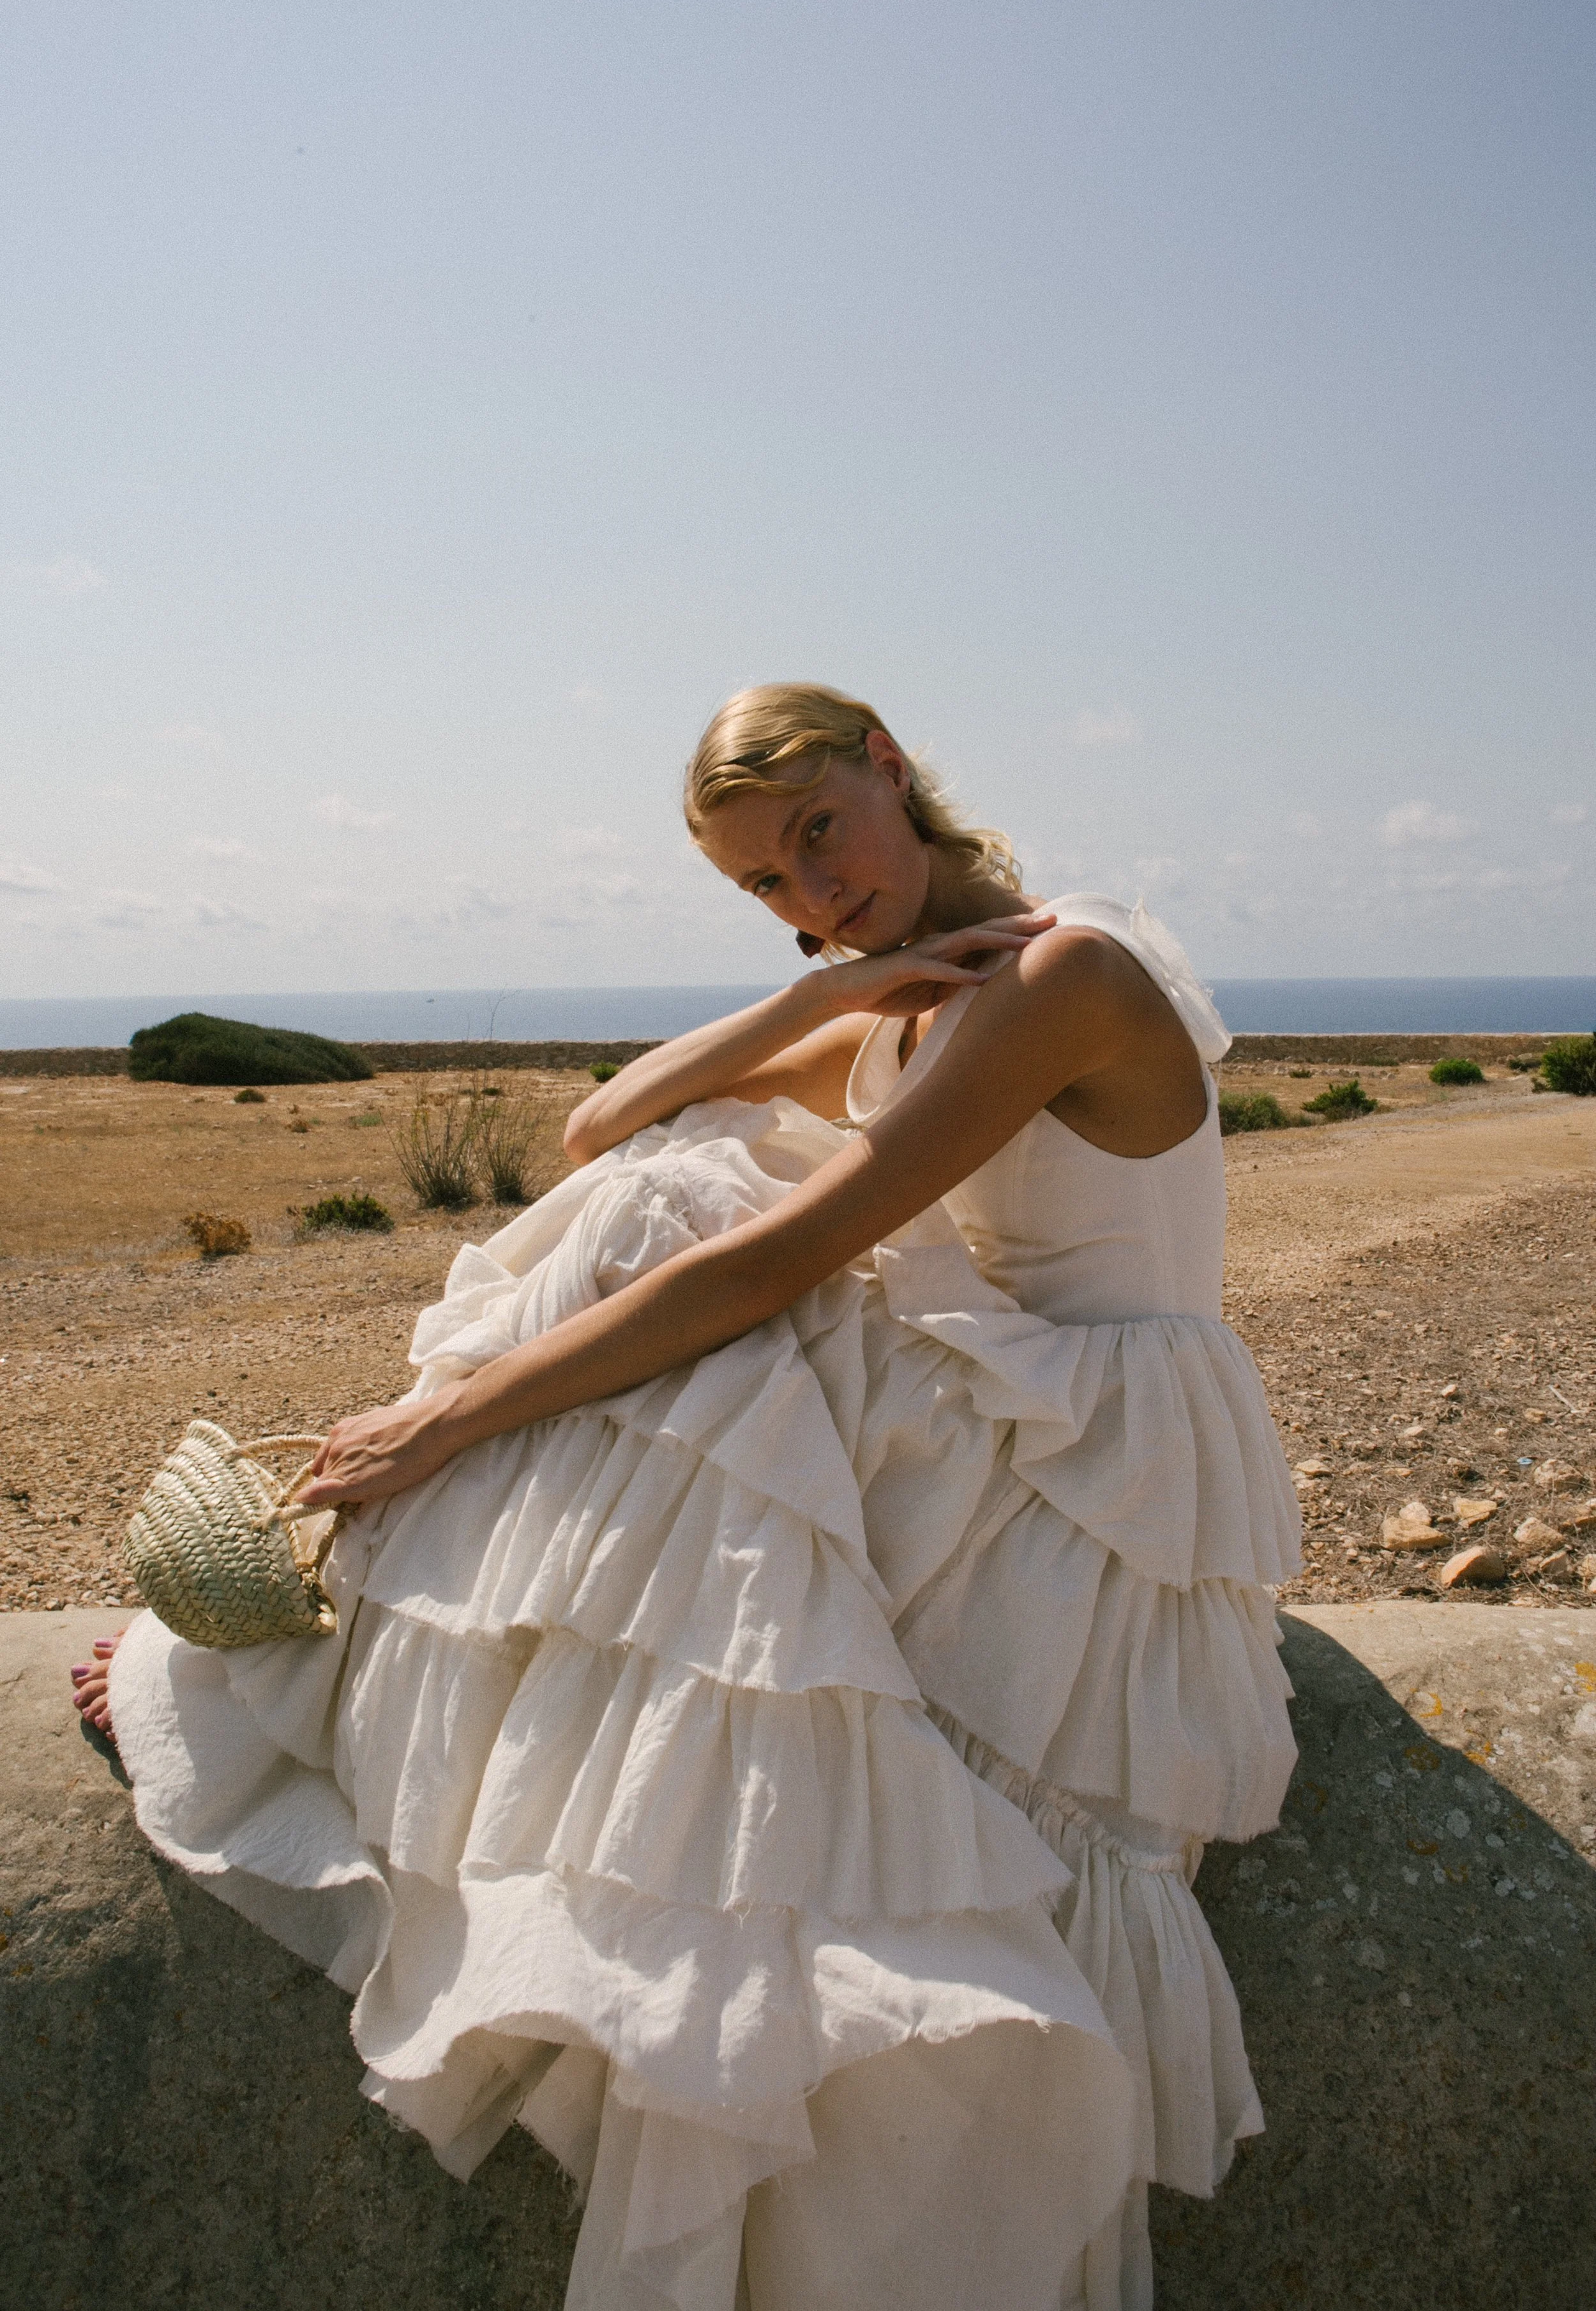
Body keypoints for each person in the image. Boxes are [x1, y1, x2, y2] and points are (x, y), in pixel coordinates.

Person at [73, 684, 1300, 2310]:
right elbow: (600, 1119)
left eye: (816, 834)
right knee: (662, 1175)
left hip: (1086, 1492)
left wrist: (442, 1425)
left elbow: (791, 1246)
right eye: (766, 889)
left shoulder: (1063, 970)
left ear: (884, 755)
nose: (813, 891)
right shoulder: (913, 995)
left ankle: (326, 1648)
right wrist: (850, 981)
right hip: (1022, 1430)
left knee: (684, 1221)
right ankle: (352, 1633)